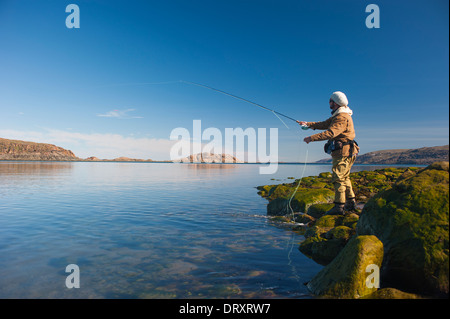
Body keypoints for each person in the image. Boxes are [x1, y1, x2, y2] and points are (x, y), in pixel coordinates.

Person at [297, 91, 360, 215]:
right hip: (346, 151)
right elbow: (324, 124)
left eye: (330, 101)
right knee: (345, 177)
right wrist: (307, 124)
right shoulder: (339, 115)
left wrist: (311, 138)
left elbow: (331, 133)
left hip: (344, 152)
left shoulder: (342, 117)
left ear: (335, 102)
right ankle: (351, 202)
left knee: (338, 177)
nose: (329, 103)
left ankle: (339, 206)